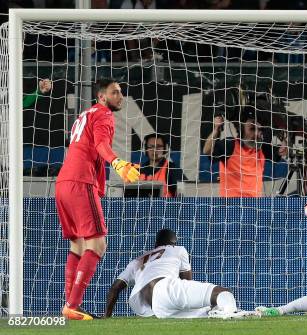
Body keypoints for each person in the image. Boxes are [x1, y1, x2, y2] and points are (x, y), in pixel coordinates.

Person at [55, 78, 140, 320]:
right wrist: (118, 162)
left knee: (78, 245)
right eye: (115, 92)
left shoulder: (84, 115)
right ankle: (73, 304)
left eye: (121, 92)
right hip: (81, 182)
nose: (120, 96)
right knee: (98, 244)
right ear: (102, 97)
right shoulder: (103, 114)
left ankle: (69, 305)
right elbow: (101, 145)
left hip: (63, 182)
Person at [105, 229, 248, 319]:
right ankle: (232, 314)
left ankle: (225, 312)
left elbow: (114, 288)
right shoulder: (178, 249)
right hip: (165, 288)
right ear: (173, 242)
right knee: (224, 293)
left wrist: (107, 316)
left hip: (155, 308)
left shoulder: (136, 261)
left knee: (207, 312)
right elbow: (187, 280)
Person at [203, 108, 287, 197]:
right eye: (252, 129)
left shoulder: (262, 148)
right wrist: (216, 128)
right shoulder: (230, 145)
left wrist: (285, 140)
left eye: (259, 130)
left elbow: (282, 151)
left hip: (253, 206)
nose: (257, 134)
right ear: (242, 131)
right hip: (230, 206)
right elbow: (207, 150)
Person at [139, 133, 183, 197]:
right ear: (145, 149)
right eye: (151, 147)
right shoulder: (139, 169)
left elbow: (180, 198)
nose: (154, 150)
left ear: (165, 149)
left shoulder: (172, 169)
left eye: (158, 146)